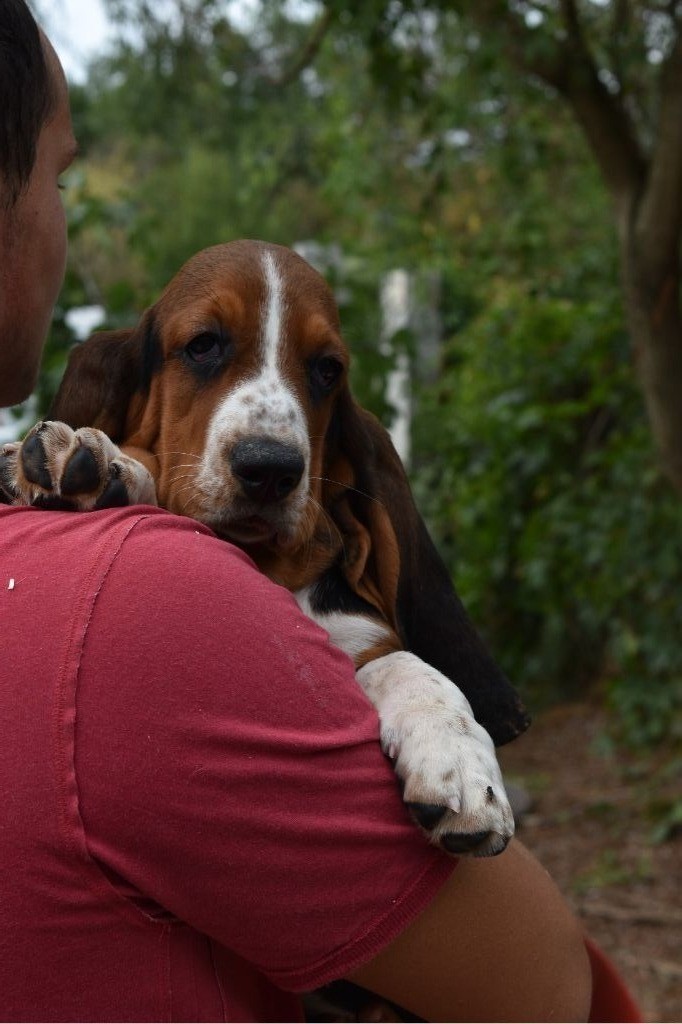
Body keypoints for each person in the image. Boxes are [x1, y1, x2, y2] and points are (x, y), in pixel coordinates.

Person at [0, 3, 639, 1021]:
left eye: (320, 374)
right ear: (120, 392)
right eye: (207, 349)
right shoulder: (134, 598)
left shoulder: (55, 552)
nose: (271, 437)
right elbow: (550, 988)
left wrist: (420, 684)